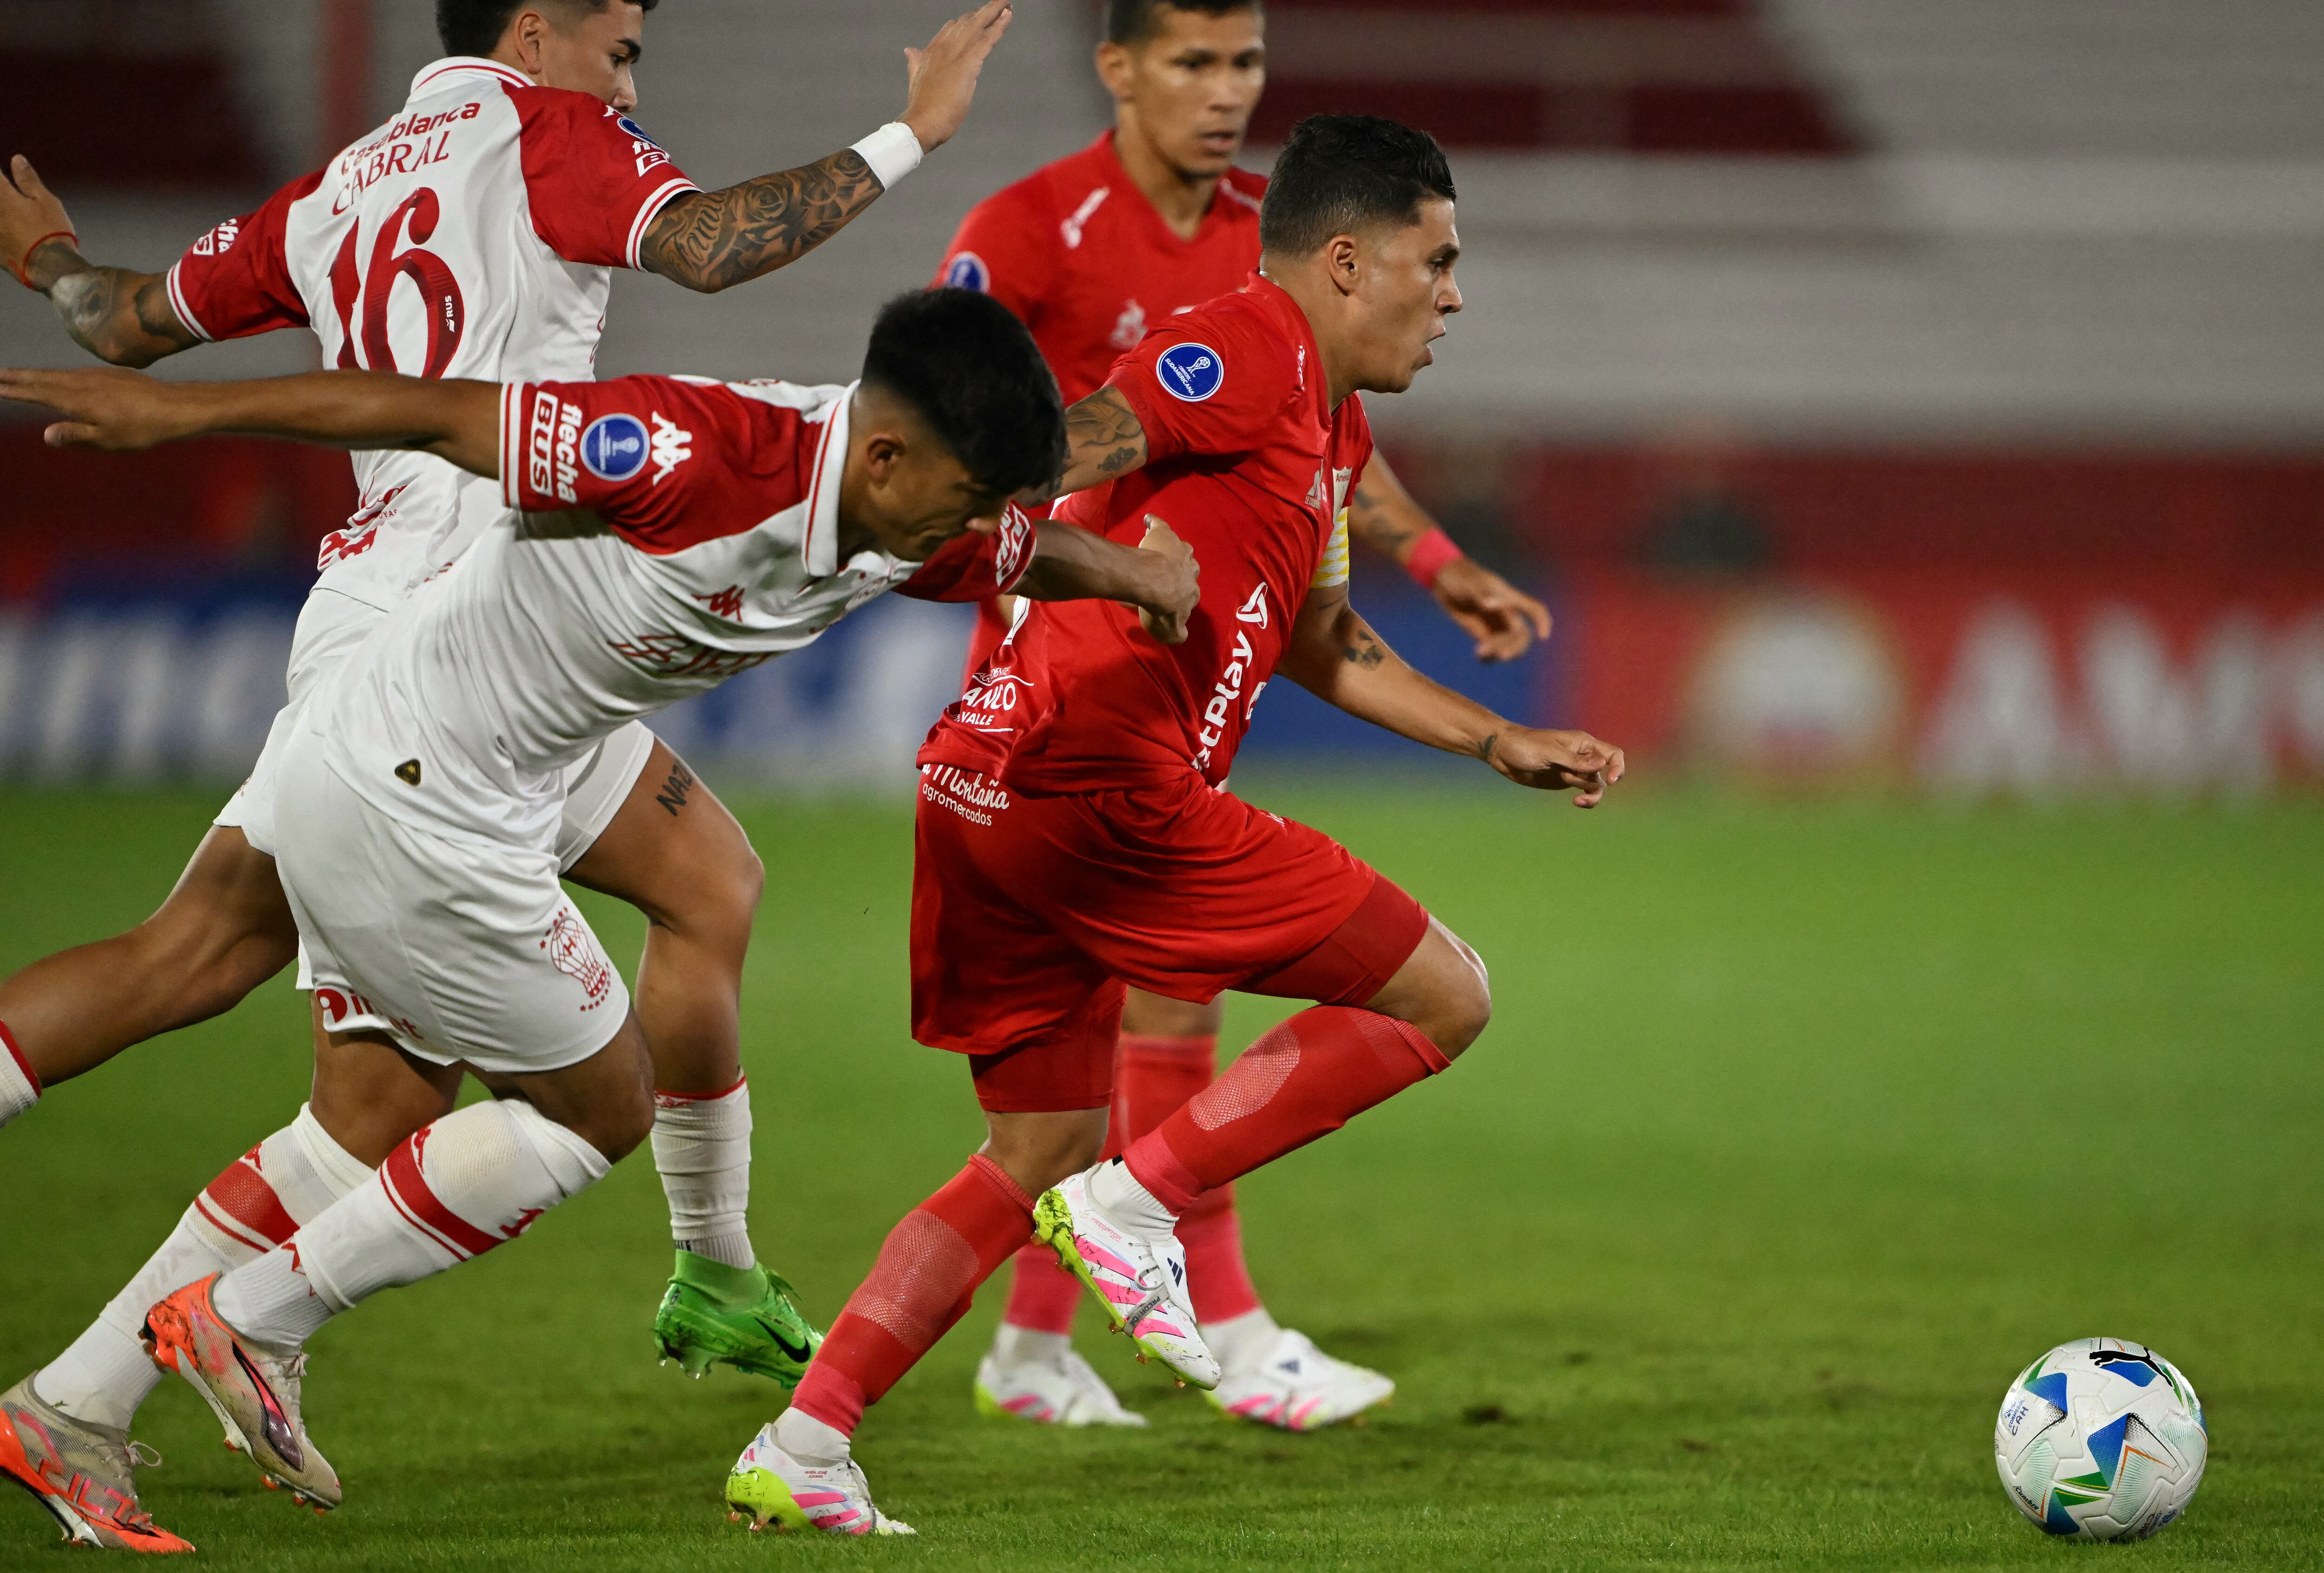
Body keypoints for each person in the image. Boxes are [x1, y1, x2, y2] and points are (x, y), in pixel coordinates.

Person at [0, 0, 1012, 1552]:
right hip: (469, 625)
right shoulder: (550, 132)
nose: (630, 79)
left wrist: (53, 262)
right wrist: (913, 135)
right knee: (231, 986)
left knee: (700, 882)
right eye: (620, 47)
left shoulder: (333, 190)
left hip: (456, 620)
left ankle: (710, 1259)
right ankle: (122, 1378)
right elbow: (715, 249)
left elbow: (122, 320)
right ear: (534, 34)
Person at [724, 115, 1623, 1538]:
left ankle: (807, 1437)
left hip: (983, 786)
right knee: (1445, 992)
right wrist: (1018, 517)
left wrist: (1493, 735)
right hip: (1100, 786)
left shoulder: (1332, 415)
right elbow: (1077, 441)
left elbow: (1325, 642)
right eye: (1436, 261)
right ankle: (1146, 1202)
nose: (1454, 294)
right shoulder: (1249, 345)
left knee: (1033, 1155)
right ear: (1347, 261)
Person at [932, 0, 1557, 1431]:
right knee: (1151, 1004)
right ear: (1120, 69)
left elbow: (1332, 435)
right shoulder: (1031, 228)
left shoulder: (1268, 236)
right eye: (1196, 62)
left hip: (1201, 650)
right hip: (1069, 658)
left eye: (1248, 64)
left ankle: (1042, 1345)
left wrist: (1439, 560)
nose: (1228, 94)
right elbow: (964, 417)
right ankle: (1213, 1313)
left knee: (1133, 1032)